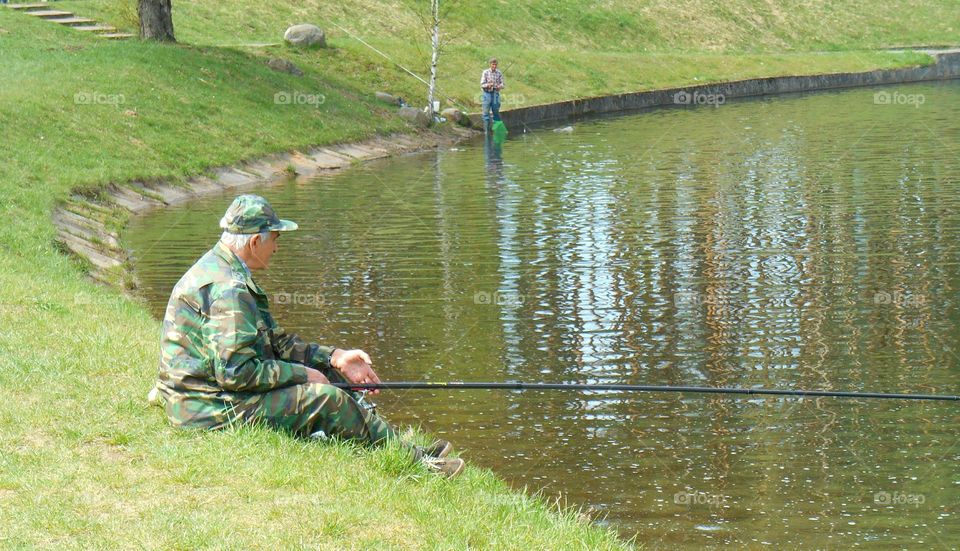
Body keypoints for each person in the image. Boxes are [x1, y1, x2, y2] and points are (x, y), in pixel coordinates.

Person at [151, 194, 464, 478]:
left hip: (203, 394)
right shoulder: (229, 290)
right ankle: (416, 466)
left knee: (329, 373)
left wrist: (333, 357)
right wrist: (303, 375)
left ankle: (391, 442)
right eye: (274, 238)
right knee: (324, 399)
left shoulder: (224, 269)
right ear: (254, 242)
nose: (277, 246)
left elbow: (274, 342)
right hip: (206, 409)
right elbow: (237, 373)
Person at [480, 57, 504, 132]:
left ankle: (497, 130)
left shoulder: (499, 73)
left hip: (495, 94)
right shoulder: (485, 72)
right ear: (490, 64)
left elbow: (503, 84)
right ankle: (487, 131)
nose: (494, 66)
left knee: (496, 111)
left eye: (495, 64)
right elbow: (482, 84)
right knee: (486, 113)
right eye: (493, 64)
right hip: (486, 94)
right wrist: (488, 85)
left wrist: (498, 86)